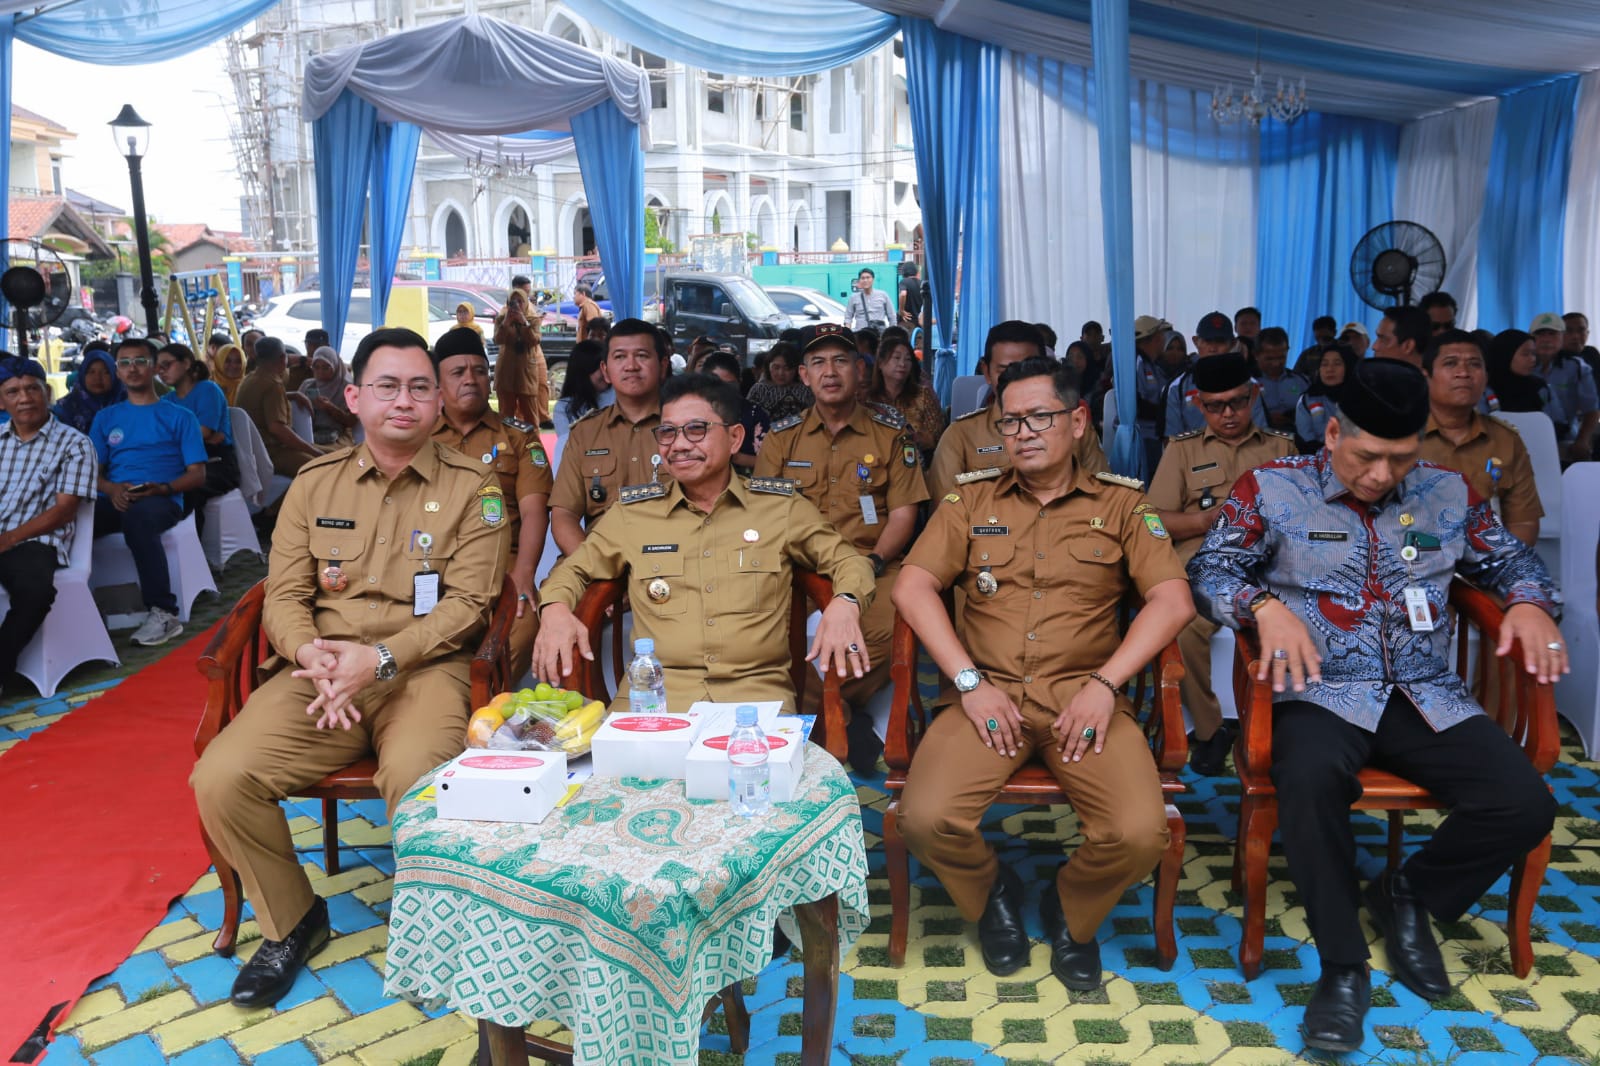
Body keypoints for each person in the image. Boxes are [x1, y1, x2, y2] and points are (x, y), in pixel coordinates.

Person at [1186, 357, 1564, 1054]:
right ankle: (1343, 965)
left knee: (1526, 801)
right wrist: (1262, 605)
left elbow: (1510, 560)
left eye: (1401, 457)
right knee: (1308, 780)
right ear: (1332, 434)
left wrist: (1533, 604)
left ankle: (1410, 894)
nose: (1383, 475)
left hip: (1426, 693)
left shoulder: (1448, 494)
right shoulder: (1272, 489)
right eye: (1367, 456)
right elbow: (1209, 571)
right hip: (1319, 690)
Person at [190, 326, 507, 1009]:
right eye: (388, 386)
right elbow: (282, 594)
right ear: (355, 396)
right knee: (220, 775)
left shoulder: (474, 487)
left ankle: (440, 933)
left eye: (420, 387)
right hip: (322, 673)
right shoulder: (314, 483)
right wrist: (310, 654)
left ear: (439, 400)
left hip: (423, 670)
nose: (405, 401)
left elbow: (473, 605)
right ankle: (293, 920)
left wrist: (382, 659)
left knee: (419, 780)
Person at [893, 355, 1193, 987]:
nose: (1023, 432)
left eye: (1040, 417)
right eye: (1011, 422)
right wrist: (969, 685)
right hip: (986, 699)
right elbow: (913, 587)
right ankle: (993, 893)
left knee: (1140, 834)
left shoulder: (1122, 506)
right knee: (925, 819)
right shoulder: (969, 500)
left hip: (1084, 702)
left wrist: (1106, 685)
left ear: (1079, 421)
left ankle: (1072, 911)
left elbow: (1173, 601)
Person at [534, 372, 874, 710]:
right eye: (667, 432)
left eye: (697, 429)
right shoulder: (633, 515)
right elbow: (573, 570)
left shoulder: (779, 509)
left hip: (755, 699)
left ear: (735, 437)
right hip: (654, 698)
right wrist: (554, 609)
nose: (679, 445)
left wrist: (845, 603)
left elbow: (849, 561)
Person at [754, 323, 929, 771]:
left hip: (873, 564)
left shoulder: (891, 434)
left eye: (840, 361)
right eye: (817, 363)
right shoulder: (781, 438)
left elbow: (904, 513)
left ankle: (820, 709)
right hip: (795, 572)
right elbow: (764, 513)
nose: (829, 372)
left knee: (898, 625)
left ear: (859, 371)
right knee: (754, 634)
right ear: (803, 375)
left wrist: (873, 561)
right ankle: (842, 719)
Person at [1146, 354, 1295, 774]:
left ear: (1255, 395)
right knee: (1187, 622)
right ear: (1197, 403)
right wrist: (1203, 520)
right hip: (1203, 556)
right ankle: (1210, 730)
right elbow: (1152, 518)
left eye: (1238, 402)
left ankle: (1287, 725)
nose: (1228, 414)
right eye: (1215, 406)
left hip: (1267, 558)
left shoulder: (1280, 448)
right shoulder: (1182, 450)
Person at [430, 326, 550, 679]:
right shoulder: (420, 441)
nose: (471, 379)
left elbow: (534, 511)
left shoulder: (519, 437)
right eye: (458, 372)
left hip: (503, 567)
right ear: (438, 386)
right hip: (431, 565)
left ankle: (481, 707)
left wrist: (525, 574)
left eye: (480, 371)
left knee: (523, 627)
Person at [90, 337, 209, 647]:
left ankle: (163, 612)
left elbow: (198, 475)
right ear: (118, 370)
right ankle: (70, 605)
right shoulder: (106, 418)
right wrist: (111, 488)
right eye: (125, 362)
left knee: (139, 519)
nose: (133, 369)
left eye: (140, 361)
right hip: (116, 497)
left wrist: (164, 488)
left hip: (163, 499)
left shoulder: (180, 416)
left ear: (154, 368)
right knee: (69, 518)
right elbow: (93, 473)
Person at [0, 358, 97, 691]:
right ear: (2, 402)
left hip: (34, 541)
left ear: (48, 393)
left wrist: (9, 538)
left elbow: (64, 511)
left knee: (34, 591)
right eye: (13, 392)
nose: (24, 398)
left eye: (32, 389)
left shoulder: (75, 444)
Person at [930, 321, 1108, 499]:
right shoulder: (960, 437)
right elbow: (946, 517)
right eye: (1005, 371)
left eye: (1028, 369)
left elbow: (1101, 500)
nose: (1016, 380)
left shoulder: (1074, 430)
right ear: (986, 372)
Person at [550, 319, 670, 556]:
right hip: (596, 563)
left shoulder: (687, 429)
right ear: (605, 370)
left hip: (671, 561)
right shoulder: (584, 434)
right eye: (620, 357)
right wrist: (595, 569)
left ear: (663, 366)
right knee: (555, 593)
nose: (631, 366)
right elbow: (564, 516)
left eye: (642, 356)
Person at [1418, 331, 1543, 546]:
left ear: (1486, 376)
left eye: (1474, 364)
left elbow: (1523, 522)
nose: (1464, 373)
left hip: (1486, 569)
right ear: (1426, 375)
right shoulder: (1399, 435)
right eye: (1451, 363)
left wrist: (1504, 570)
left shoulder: (1505, 440)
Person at [155, 343, 241, 527]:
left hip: (217, 462)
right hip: (182, 461)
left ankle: (192, 548)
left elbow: (204, 432)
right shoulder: (166, 401)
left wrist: (190, 436)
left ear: (186, 363)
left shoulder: (207, 390)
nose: (161, 371)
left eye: (166, 365)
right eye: (158, 367)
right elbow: (158, 437)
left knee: (186, 488)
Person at [1163, 312, 1268, 438]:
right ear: (1196, 342)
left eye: (1220, 341)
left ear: (1233, 343)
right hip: (1195, 456)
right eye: (1207, 341)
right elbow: (1171, 439)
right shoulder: (1177, 387)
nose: (1213, 348)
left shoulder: (1249, 384)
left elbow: (1261, 435)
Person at [235, 336, 323, 476]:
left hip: (251, 451)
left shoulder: (250, 379)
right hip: (271, 453)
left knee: (335, 454)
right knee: (324, 469)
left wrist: (292, 394)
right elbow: (277, 429)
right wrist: (313, 451)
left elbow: (260, 403)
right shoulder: (272, 384)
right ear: (283, 358)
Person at [1529, 311, 1598, 461]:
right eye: (1541, 334)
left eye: (1553, 334)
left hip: (1566, 440)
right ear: (1532, 339)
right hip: (1528, 439)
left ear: (1561, 338)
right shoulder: (1523, 365)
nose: (1547, 340)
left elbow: (1591, 410)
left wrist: (1582, 440)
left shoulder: (1577, 367)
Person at [867, 332, 945, 457]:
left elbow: (938, 435)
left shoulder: (922, 395)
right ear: (880, 363)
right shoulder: (868, 399)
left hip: (919, 462)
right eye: (896, 358)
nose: (902, 364)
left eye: (908, 359)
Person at [701, 351, 769, 472]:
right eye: (716, 385)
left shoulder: (755, 414)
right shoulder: (693, 413)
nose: (723, 391)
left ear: (739, 381)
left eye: (729, 385)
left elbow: (770, 462)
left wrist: (734, 456)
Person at [493, 288, 546, 426]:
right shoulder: (501, 319)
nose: (516, 305)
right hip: (506, 370)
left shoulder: (533, 320)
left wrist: (523, 323)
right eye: (513, 302)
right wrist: (506, 323)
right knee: (506, 415)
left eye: (520, 301)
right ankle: (508, 445)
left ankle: (533, 445)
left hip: (526, 371)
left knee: (530, 414)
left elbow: (535, 341)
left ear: (526, 303)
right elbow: (498, 340)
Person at [1294, 344, 1355, 453]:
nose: (1330, 369)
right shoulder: (1308, 399)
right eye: (1324, 364)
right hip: (1315, 459)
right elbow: (1305, 440)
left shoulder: (1361, 399)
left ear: (1349, 367)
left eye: (1337, 364)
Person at [53, 347, 125, 435]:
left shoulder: (126, 403)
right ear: (82, 375)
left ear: (114, 375)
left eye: (105, 372)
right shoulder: (66, 408)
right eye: (91, 372)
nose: (98, 378)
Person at [299, 347, 358, 447]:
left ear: (335, 366)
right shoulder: (308, 385)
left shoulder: (347, 388)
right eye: (316, 367)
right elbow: (296, 412)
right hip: (309, 433)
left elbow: (351, 421)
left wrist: (330, 407)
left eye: (326, 367)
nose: (320, 371)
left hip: (337, 435)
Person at [1486, 329, 1553, 415]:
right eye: (1525, 354)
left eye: (1533, 353)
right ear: (1505, 355)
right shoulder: (1485, 390)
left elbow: (1557, 421)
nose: (1533, 359)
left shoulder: (1539, 388)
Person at [1253, 327, 1306, 432]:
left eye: (1281, 358)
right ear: (1256, 355)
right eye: (1269, 359)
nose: (1276, 363)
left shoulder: (1301, 381)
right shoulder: (1247, 384)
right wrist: (1267, 418)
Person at [554, 339, 611, 433]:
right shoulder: (564, 407)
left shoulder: (620, 396)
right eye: (601, 367)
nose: (607, 371)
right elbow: (567, 443)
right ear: (584, 371)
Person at [747, 342, 812, 421]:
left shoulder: (805, 391)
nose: (781, 373)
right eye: (776, 367)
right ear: (768, 366)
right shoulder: (759, 390)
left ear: (796, 368)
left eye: (787, 368)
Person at [844, 267, 893, 332]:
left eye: (868, 277)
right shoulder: (854, 297)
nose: (865, 280)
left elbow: (892, 316)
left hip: (878, 335)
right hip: (861, 335)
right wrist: (848, 333)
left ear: (873, 279)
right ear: (859, 280)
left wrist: (891, 334)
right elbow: (848, 318)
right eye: (863, 278)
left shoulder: (883, 295)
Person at [1562, 311, 1600, 377]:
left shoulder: (1591, 353)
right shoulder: (1553, 357)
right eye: (1569, 331)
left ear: (1587, 333)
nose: (1575, 336)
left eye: (1581, 330)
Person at [897, 262, 922, 331]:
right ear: (916, 271)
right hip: (919, 320)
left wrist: (901, 310)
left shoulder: (904, 281)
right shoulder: (922, 283)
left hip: (907, 320)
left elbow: (903, 294)